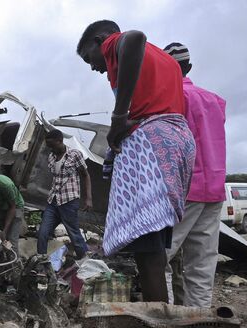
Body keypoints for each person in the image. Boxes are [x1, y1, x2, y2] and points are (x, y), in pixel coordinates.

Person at [76, 20, 196, 302]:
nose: (93, 67)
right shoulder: (164, 60)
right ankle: (160, 314)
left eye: (88, 58)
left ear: (100, 39)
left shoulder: (116, 43)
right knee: (153, 244)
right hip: (175, 140)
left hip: (152, 147)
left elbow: (134, 37)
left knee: (147, 250)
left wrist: (119, 116)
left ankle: (157, 325)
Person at [162, 42, 227, 308]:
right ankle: (197, 324)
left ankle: (162, 317)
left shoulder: (170, 98)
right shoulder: (214, 100)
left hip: (183, 190)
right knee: (201, 263)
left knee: (159, 257)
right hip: (214, 188)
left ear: (164, 69)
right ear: (189, 67)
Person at [37, 129, 92, 259]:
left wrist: (88, 198)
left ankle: (86, 261)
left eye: (52, 145)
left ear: (60, 141)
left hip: (69, 200)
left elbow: (85, 175)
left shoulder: (74, 154)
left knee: (73, 233)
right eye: (49, 146)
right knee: (43, 232)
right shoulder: (51, 156)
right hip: (53, 200)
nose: (51, 149)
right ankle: (41, 262)